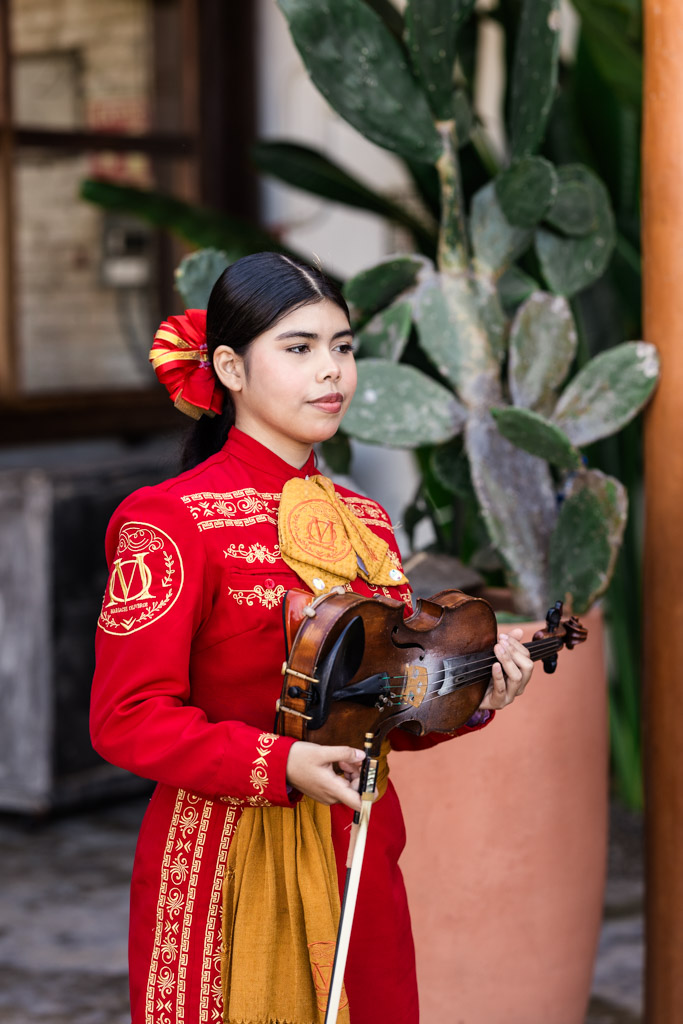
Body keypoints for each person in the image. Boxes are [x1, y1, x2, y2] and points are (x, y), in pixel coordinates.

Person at [90, 252, 534, 1024]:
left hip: (357, 853)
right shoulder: (171, 521)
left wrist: (475, 695)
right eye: (298, 349)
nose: (331, 372)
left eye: (342, 346)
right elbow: (125, 717)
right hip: (225, 860)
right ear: (229, 366)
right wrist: (282, 761)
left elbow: (379, 709)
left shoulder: (364, 524)